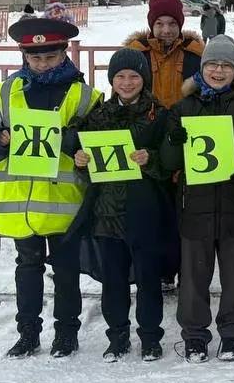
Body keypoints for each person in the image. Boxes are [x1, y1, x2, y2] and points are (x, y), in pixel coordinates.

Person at [0, 17, 101, 357]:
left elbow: (95, 144)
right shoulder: (5, 92)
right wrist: (0, 139)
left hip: (63, 202)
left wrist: (69, 142)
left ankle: (66, 332)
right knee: (27, 269)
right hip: (21, 203)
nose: (42, 64)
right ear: (24, 56)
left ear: (65, 53)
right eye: (35, 58)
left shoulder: (85, 96)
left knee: (65, 271)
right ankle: (28, 332)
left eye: (50, 57)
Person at [162, 35, 234, 362]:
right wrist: (173, 139)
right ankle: (194, 335)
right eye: (212, 64)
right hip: (195, 205)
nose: (218, 71)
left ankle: (233, 333)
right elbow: (168, 163)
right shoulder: (183, 108)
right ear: (202, 68)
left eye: (226, 65)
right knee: (194, 276)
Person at [67, 49, 172, 361]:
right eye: (120, 76)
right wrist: (81, 161)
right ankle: (117, 336)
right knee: (114, 281)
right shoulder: (97, 116)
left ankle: (151, 337)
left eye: (134, 76)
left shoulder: (160, 114)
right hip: (107, 213)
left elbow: (170, 164)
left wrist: (150, 159)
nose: (127, 82)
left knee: (149, 279)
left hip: (145, 211)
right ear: (112, 80)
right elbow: (85, 162)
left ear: (145, 79)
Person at [126, 0, 205, 110]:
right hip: (146, 126)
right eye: (159, 24)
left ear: (180, 25)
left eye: (172, 23)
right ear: (152, 26)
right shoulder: (135, 53)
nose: (166, 30)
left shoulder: (196, 53)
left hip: (185, 125)